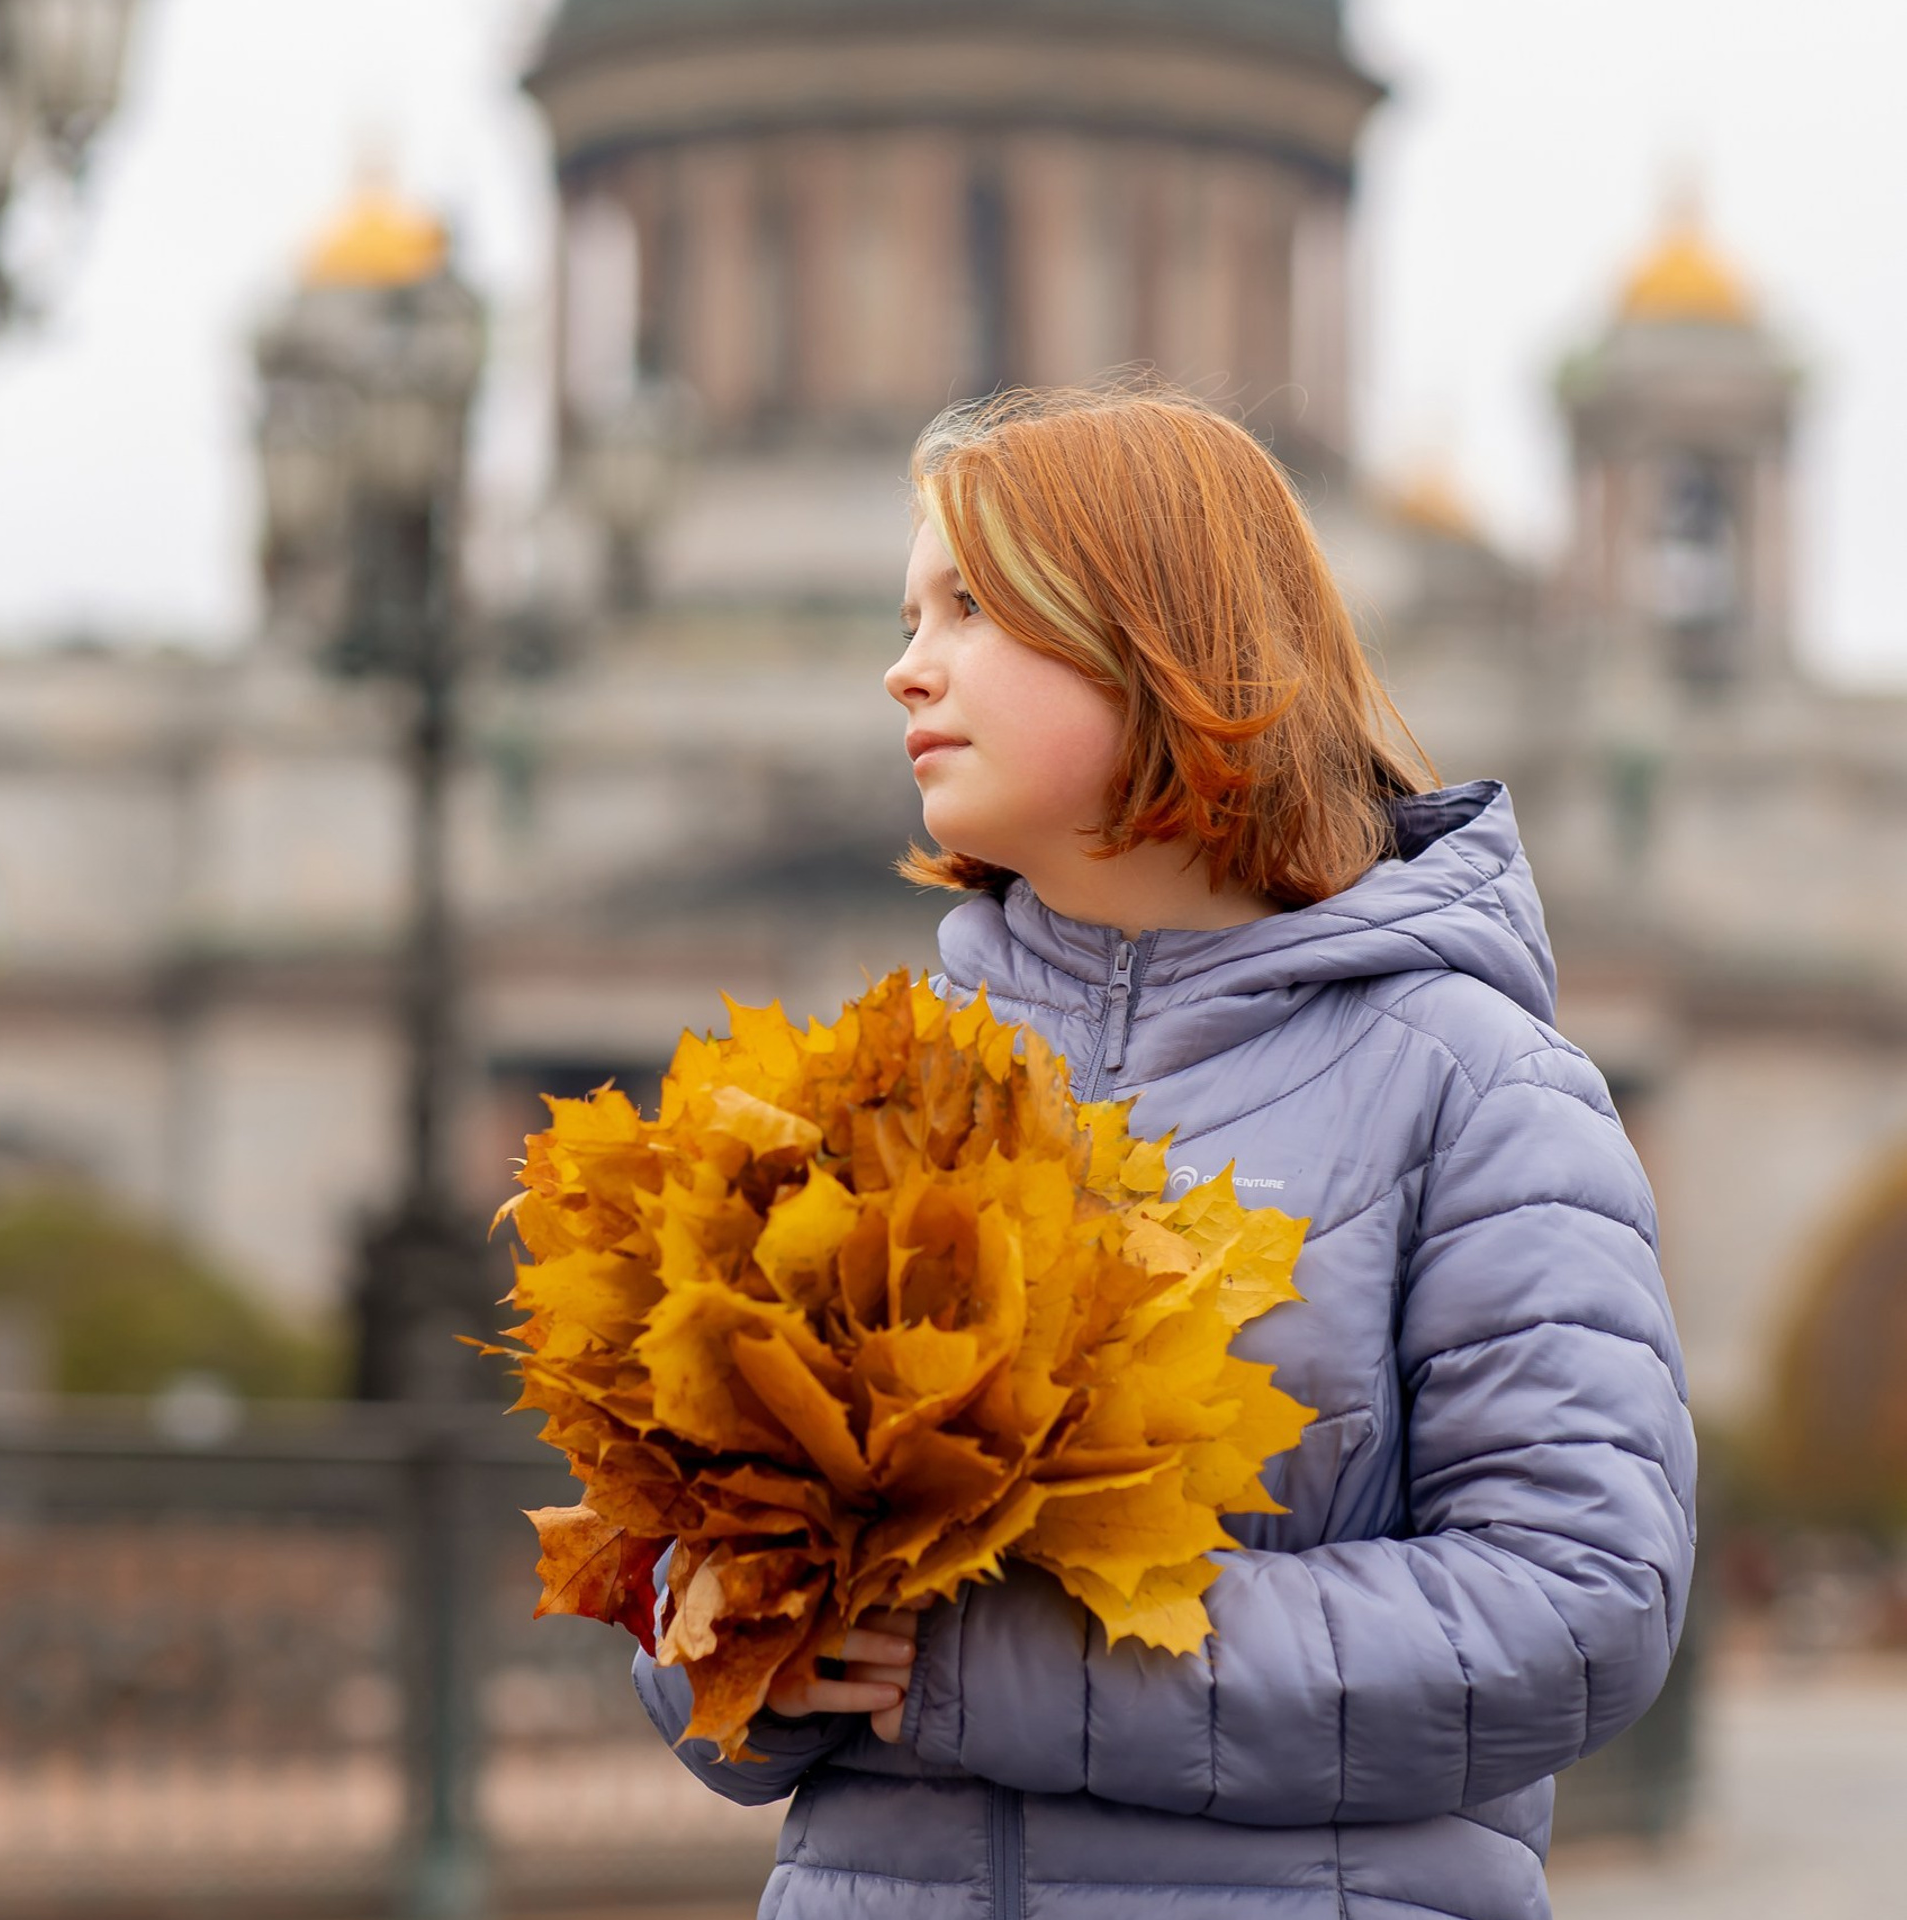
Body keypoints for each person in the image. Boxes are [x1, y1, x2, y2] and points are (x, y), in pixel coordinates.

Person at [633, 383, 1697, 1920]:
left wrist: (985, 1669)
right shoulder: (879, 1091)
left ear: (1162, 640)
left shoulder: (1471, 1087)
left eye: (970, 608)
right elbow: (705, 1669)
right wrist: (740, 1627)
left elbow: (1579, 1609)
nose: (902, 667)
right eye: (907, 610)